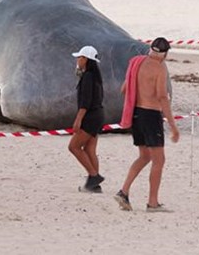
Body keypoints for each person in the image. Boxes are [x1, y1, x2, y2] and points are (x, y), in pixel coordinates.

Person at [114, 37, 180, 212]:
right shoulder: (159, 68)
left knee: (144, 156)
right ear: (165, 54)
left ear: (150, 49)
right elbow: (161, 96)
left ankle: (124, 191)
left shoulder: (137, 62)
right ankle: (152, 203)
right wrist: (173, 125)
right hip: (151, 115)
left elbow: (124, 89)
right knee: (159, 159)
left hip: (136, 114)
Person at [68, 45, 105, 192]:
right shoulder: (95, 76)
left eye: (80, 57)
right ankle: (94, 185)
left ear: (87, 59)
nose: (78, 60)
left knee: (74, 147)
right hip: (98, 115)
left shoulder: (89, 76)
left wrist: (78, 120)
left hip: (90, 117)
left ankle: (94, 175)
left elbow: (85, 102)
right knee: (89, 150)